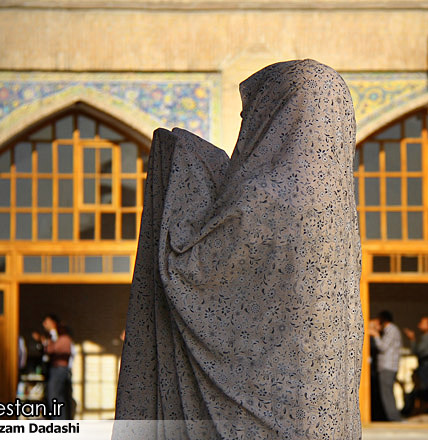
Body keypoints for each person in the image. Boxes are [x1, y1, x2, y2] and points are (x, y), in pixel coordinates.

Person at [114, 60, 363, 439]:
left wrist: (182, 160)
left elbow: (191, 266)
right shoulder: (339, 217)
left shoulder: (268, 198)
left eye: (254, 113)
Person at [34, 314, 73, 420]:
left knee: (55, 396)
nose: (44, 325)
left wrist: (44, 342)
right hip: (54, 368)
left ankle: (59, 421)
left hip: (59, 369)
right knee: (54, 396)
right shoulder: (54, 336)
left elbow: (53, 349)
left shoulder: (63, 338)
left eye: (47, 322)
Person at [402, 316, 428, 415]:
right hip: (424, 367)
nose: (420, 324)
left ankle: (426, 412)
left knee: (425, 390)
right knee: (422, 390)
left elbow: (418, 352)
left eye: (423, 322)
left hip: (426, 367)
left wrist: (412, 340)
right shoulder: (425, 337)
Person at [369, 310, 402, 422]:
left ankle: (394, 418)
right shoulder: (390, 330)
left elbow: (383, 347)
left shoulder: (391, 329)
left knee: (387, 394)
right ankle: (392, 417)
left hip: (388, 367)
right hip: (387, 367)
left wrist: (376, 335)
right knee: (386, 394)